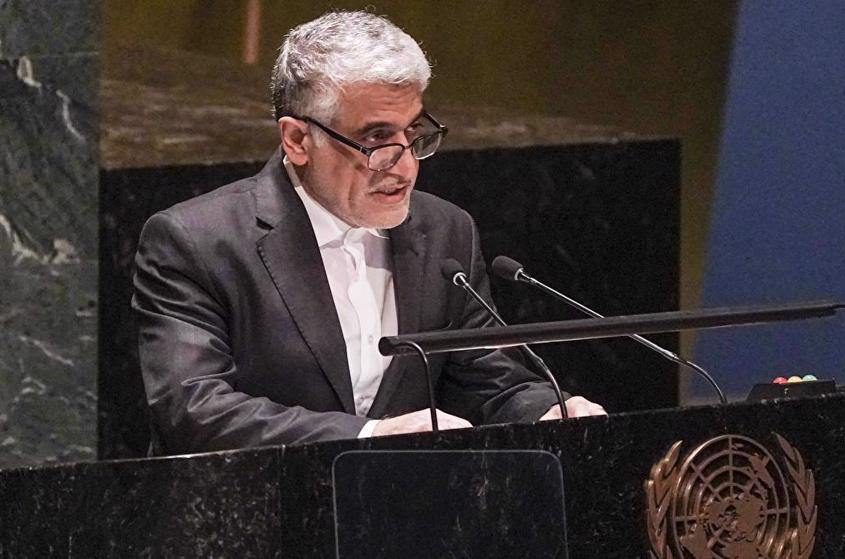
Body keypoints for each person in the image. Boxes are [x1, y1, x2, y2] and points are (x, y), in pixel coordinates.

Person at [132, 10, 604, 455]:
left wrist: (545, 410)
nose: (404, 165)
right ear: (298, 140)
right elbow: (192, 410)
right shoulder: (197, 242)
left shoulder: (444, 232)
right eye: (376, 139)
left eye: (414, 133)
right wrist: (368, 435)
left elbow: (485, 378)